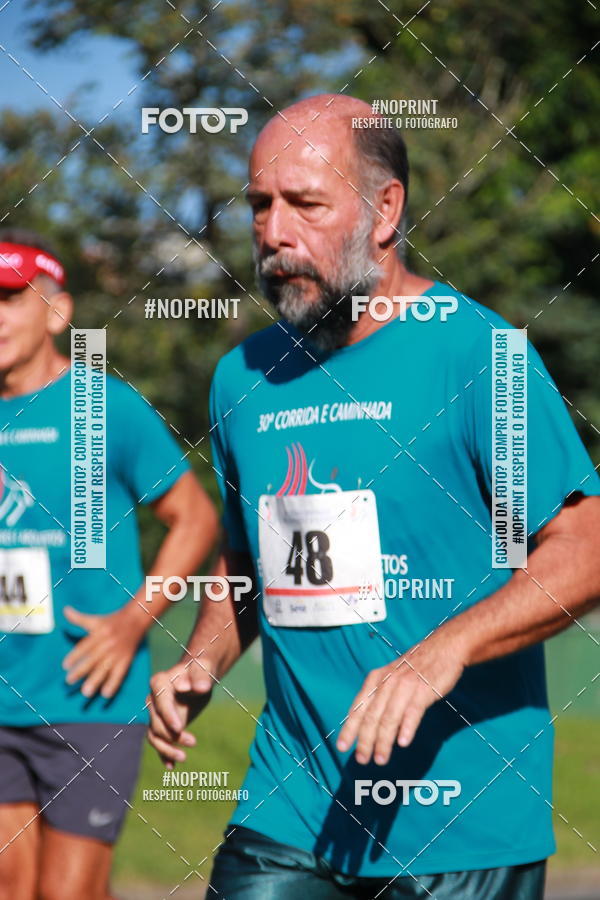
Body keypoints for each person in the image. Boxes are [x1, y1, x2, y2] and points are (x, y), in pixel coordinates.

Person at [148, 94, 600, 899]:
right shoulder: (242, 379)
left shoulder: (478, 354)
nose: (275, 234)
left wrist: (440, 654)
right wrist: (201, 659)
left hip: (461, 825)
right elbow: (249, 561)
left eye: (305, 205)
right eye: (260, 205)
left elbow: (586, 547)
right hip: (288, 811)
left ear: (385, 209)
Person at [0, 228, 218, 900]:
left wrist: (131, 624)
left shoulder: (105, 407)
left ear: (57, 311)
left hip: (88, 696)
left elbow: (198, 519)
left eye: (11, 299)